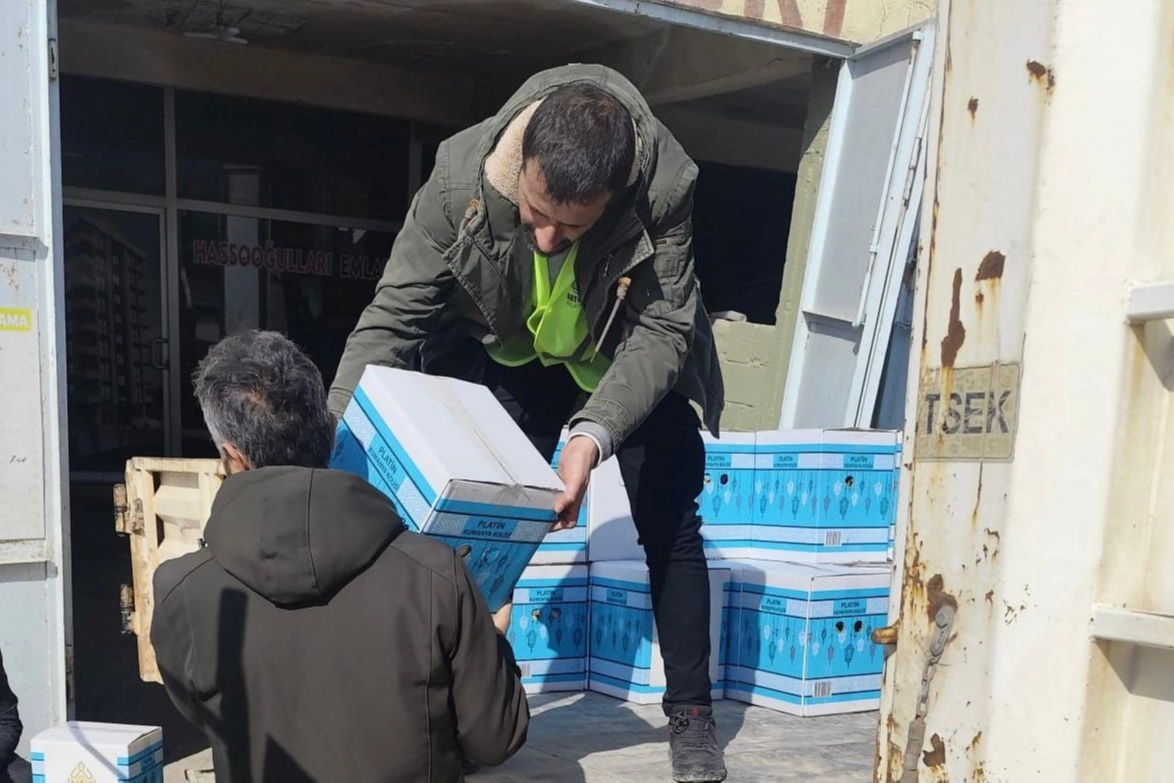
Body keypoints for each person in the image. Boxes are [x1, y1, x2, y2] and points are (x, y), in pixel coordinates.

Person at [330, 64, 727, 782]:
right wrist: (332, 449)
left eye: (572, 227)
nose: (545, 239)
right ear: (523, 163)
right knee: (471, 523)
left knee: (671, 521)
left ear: (616, 194)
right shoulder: (460, 181)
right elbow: (391, 320)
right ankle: (460, 709)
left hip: (624, 358)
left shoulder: (665, 186)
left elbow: (663, 331)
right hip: (512, 356)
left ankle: (693, 713)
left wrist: (589, 436)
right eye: (534, 212)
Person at [152, 330, 528, 782]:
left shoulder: (180, 591)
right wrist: (493, 642)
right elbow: (495, 738)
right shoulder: (436, 574)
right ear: (332, 433)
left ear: (231, 455)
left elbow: (207, 714)